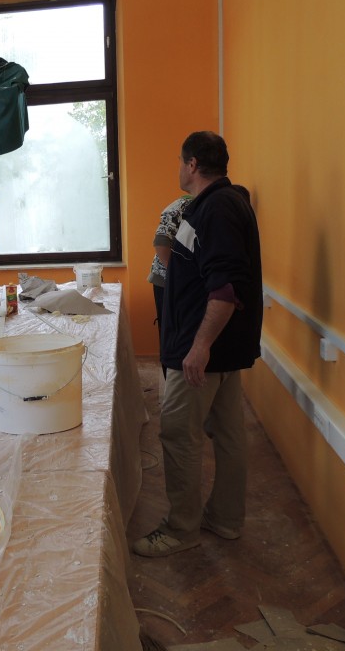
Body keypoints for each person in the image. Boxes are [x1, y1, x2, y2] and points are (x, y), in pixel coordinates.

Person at [133, 131, 263, 557]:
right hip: (221, 349)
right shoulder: (220, 204)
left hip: (202, 352)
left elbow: (224, 288)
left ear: (191, 164)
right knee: (227, 434)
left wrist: (199, 345)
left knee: (178, 434)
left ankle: (181, 529)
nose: (178, 168)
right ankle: (225, 519)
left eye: (179, 161)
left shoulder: (216, 209)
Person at [147, 195, 191, 375]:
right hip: (168, 281)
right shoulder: (183, 205)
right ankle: (171, 378)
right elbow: (161, 243)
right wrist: (178, 278)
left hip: (183, 282)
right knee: (171, 335)